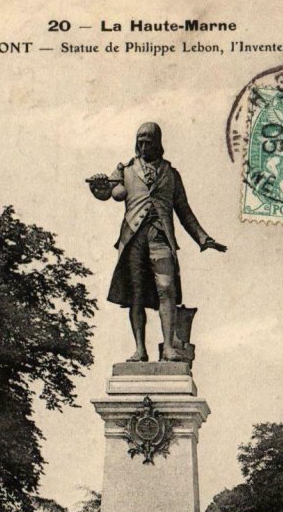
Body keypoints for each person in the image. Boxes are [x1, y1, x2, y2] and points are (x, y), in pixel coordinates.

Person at [88, 122, 227, 362]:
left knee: (167, 289)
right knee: (136, 295)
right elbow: (109, 193)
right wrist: (98, 185)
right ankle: (140, 349)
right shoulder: (125, 169)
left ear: (158, 142)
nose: (143, 145)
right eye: (139, 140)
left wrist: (204, 239)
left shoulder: (171, 174)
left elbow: (184, 211)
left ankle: (169, 348)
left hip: (160, 236)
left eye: (148, 140)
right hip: (133, 239)